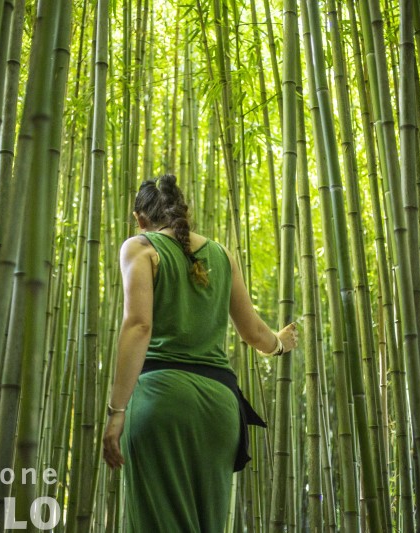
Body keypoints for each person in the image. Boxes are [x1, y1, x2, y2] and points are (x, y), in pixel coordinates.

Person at [102, 174, 298, 532]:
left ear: (139, 219)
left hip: (161, 402)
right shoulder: (222, 255)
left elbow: (139, 326)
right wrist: (281, 343)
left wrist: (117, 412)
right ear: (182, 211)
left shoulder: (140, 248)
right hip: (220, 409)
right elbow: (255, 334)